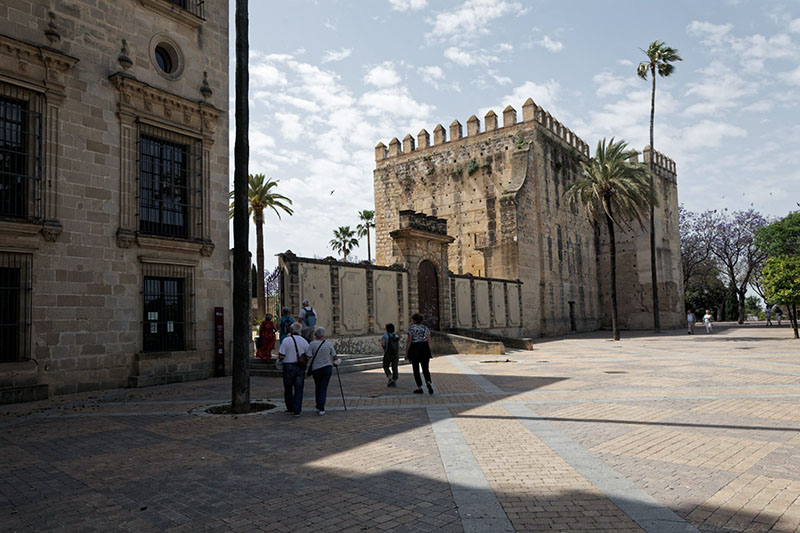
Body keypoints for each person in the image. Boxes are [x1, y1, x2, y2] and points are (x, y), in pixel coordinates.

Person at [278, 322, 310, 417]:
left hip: (288, 366)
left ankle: (290, 407)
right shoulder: (304, 341)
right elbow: (308, 355)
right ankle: (297, 410)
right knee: (299, 388)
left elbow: (281, 355)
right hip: (300, 367)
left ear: (291, 330)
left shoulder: (286, 340)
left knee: (288, 388)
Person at [305, 327, 338, 415]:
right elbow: (335, 356)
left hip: (316, 368)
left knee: (318, 387)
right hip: (327, 367)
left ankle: (318, 406)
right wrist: (336, 361)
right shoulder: (328, 344)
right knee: (323, 388)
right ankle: (321, 408)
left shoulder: (312, 344)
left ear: (315, 335)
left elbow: (308, 356)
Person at [406, 313, 434, 395]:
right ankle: (428, 381)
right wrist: (429, 351)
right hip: (424, 348)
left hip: (415, 348)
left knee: (416, 369)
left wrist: (407, 353)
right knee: (425, 368)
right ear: (422, 320)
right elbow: (429, 341)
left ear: (414, 320)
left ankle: (419, 387)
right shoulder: (426, 328)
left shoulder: (411, 328)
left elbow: (409, 341)